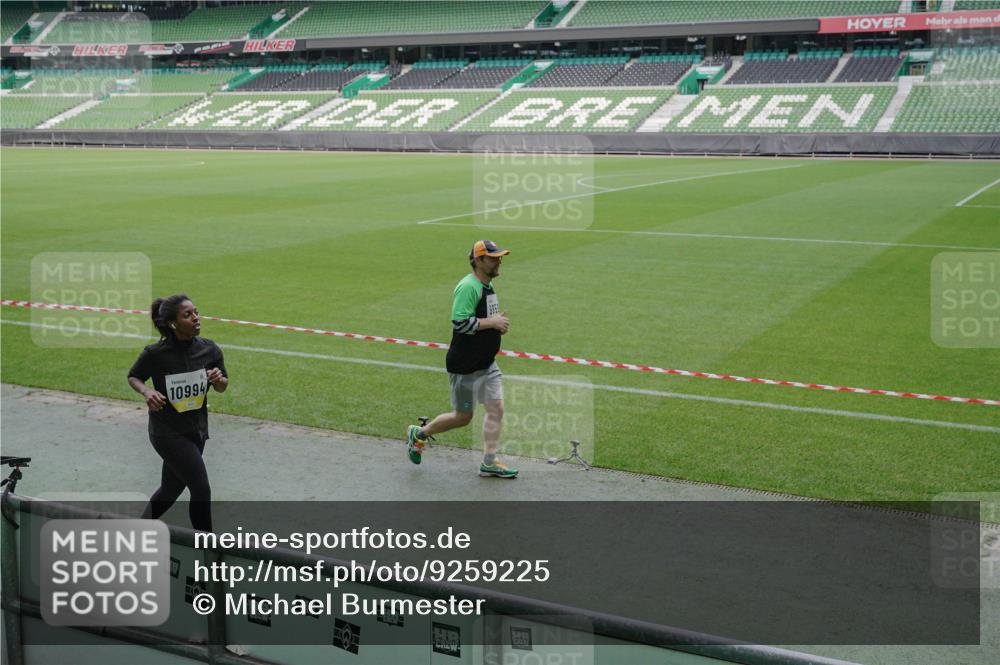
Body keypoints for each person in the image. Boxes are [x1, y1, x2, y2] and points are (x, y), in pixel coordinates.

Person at [406, 240, 517, 478]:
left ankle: (489, 461)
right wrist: (493, 322)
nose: (499, 261)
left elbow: (482, 320)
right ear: (478, 261)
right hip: (465, 367)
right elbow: (460, 323)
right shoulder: (469, 286)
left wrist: (497, 324)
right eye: (493, 257)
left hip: (487, 364)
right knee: (462, 417)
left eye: (499, 257)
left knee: (496, 408)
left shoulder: (486, 286)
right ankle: (420, 433)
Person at [128, 294, 228, 531]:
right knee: (201, 488)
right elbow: (134, 376)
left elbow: (223, 387)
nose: (196, 318)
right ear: (173, 323)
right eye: (188, 314)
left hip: (197, 430)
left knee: (171, 489)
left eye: (196, 312)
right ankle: (207, 548)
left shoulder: (210, 349)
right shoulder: (155, 354)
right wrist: (147, 392)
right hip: (167, 432)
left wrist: (218, 379)